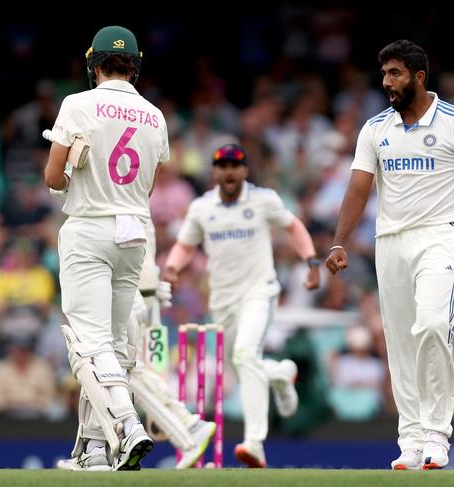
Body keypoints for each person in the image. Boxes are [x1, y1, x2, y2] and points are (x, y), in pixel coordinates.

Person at [44, 25, 169, 471]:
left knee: (88, 343)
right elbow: (150, 183)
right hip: (134, 232)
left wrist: (76, 179)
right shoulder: (155, 115)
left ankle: (126, 427)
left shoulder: (77, 104)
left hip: (89, 227)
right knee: (114, 346)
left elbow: (53, 177)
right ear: (135, 66)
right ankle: (95, 450)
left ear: (93, 63)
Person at [325, 39, 454, 471]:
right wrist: (340, 241)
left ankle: (438, 432)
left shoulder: (452, 122)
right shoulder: (375, 129)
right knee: (399, 342)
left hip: (440, 237)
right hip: (390, 242)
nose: (386, 83)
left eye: (395, 74)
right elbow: (359, 188)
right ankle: (412, 440)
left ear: (419, 77)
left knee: (434, 326)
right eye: (384, 74)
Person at [163, 143, 320, 468]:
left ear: (245, 170)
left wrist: (310, 260)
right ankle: (280, 373)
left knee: (245, 355)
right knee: (245, 364)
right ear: (215, 172)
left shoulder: (263, 200)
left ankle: (254, 443)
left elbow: (293, 226)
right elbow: (185, 245)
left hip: (259, 292)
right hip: (222, 299)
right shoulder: (202, 207)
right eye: (223, 166)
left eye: (235, 165)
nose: (229, 171)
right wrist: (173, 268)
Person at [55, 219, 216, 470]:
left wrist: (146, 289)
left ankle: (184, 427)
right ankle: (96, 449)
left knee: (108, 361)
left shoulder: (112, 194)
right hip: (135, 281)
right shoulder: (131, 192)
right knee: (111, 362)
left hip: (131, 284)